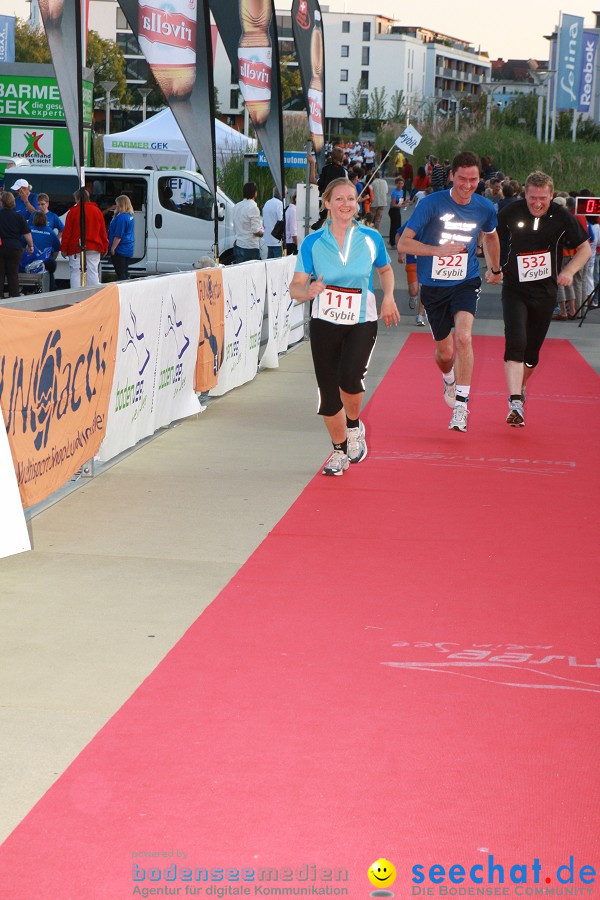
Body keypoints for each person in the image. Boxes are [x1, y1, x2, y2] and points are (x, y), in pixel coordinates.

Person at [289, 178, 400, 476]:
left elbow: (386, 270)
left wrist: (388, 297)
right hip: (325, 322)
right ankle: (338, 451)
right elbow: (295, 287)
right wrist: (307, 291)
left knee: (350, 379)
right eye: (339, 199)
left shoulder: (369, 237)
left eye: (351, 198)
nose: (346, 204)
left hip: (361, 320)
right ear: (327, 203)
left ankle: (354, 426)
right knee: (328, 395)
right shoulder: (313, 242)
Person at [397, 150, 502, 432]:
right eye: (462, 179)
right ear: (452, 176)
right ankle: (448, 380)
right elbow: (404, 244)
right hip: (433, 286)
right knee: (445, 353)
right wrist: (436, 251)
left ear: (480, 179)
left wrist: (494, 268)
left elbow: (491, 236)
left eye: (474, 179)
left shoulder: (484, 207)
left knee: (465, 337)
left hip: (465, 281)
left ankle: (462, 406)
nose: (468, 185)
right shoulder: (431, 204)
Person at [496, 171, 591, 427]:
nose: (537, 203)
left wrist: (569, 271)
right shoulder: (511, 211)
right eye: (532, 198)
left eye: (543, 198)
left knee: (531, 355)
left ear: (552, 195)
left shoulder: (561, 216)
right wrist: (494, 267)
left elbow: (585, 248)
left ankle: (521, 384)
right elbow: (489, 235)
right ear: (524, 194)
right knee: (516, 342)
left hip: (546, 293)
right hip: (514, 289)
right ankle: (515, 402)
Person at [60, 188, 109, 288]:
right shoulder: (97, 211)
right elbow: (102, 232)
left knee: (76, 273)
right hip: (94, 246)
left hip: (76, 247)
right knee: (93, 273)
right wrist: (105, 246)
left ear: (78, 199)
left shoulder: (72, 212)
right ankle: (94, 298)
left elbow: (67, 233)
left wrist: (64, 248)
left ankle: (76, 298)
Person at [0, 190, 34, 297]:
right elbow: (27, 233)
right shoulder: (19, 216)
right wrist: (31, 246)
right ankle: (14, 297)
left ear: (2, 202)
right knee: (13, 274)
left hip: (1, 247)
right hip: (15, 248)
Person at [28, 210, 60, 291]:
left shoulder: (29, 230)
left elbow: (23, 246)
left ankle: (28, 289)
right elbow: (57, 248)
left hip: (32, 261)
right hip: (47, 262)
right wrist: (52, 258)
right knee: (49, 270)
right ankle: (52, 288)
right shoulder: (51, 232)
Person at [232, 182, 263, 264]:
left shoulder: (236, 206)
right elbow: (255, 231)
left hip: (238, 244)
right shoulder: (253, 207)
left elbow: (235, 226)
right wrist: (263, 233)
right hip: (250, 247)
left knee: (240, 273)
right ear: (255, 193)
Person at [107, 194, 135, 280]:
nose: (116, 206)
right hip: (127, 246)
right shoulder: (129, 215)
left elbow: (118, 236)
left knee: (120, 272)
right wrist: (116, 214)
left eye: (117, 204)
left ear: (121, 205)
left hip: (120, 248)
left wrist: (113, 248)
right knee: (124, 270)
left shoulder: (122, 218)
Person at [262, 188, 285, 259]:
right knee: (278, 265)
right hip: (276, 240)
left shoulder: (267, 203)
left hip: (268, 239)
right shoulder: (279, 204)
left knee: (270, 264)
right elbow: (281, 220)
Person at [388, 177, 407, 247]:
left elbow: (400, 201)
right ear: (396, 184)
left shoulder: (402, 191)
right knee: (394, 227)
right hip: (393, 210)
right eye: (399, 183)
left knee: (398, 226)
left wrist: (405, 203)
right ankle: (392, 242)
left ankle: (396, 240)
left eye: (402, 183)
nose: (400, 185)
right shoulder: (394, 192)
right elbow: (393, 204)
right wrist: (401, 205)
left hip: (398, 210)